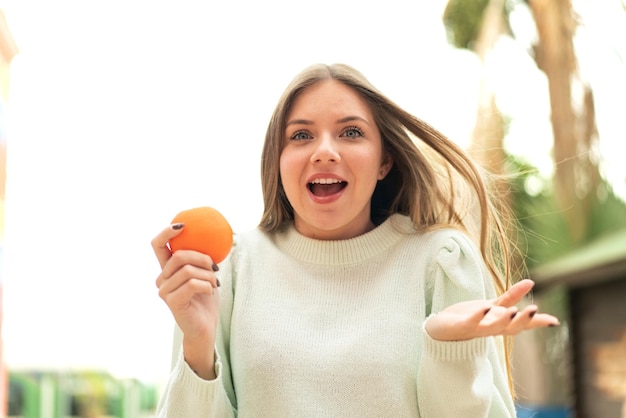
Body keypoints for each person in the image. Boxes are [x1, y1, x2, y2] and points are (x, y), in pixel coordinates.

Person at [151, 63, 559, 417]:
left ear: (384, 161)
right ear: (277, 160)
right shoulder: (232, 267)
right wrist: (198, 345)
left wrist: (449, 352)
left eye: (350, 132)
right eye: (300, 136)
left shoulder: (442, 262)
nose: (324, 151)